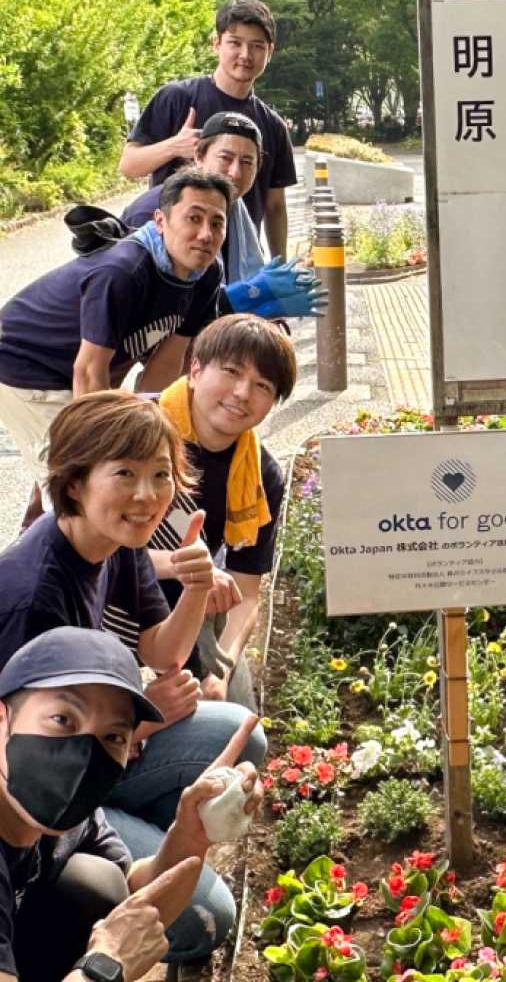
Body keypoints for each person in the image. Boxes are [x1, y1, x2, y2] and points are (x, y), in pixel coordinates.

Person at [0, 390, 266, 964]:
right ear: (74, 483)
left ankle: (101, 842)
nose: (147, 496)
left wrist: (195, 588)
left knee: (241, 730)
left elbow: (161, 650)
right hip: (31, 786)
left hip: (80, 767)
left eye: (160, 475)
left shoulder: (114, 543)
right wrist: (144, 717)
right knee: (201, 918)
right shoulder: (31, 598)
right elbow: (33, 748)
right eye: (124, 473)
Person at [0, 625, 263, 982]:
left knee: (99, 884)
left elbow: (142, 896)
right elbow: (115, 956)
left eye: (112, 737)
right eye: (62, 720)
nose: (83, 755)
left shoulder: (69, 818)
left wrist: (192, 833)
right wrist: (105, 966)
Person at [0, 168, 227, 491]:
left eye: (217, 222)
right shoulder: (122, 272)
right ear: (160, 221)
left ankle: (36, 536)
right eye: (193, 218)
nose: (206, 234)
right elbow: (88, 371)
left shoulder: (205, 273)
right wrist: (107, 450)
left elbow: (168, 359)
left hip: (97, 366)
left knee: (111, 467)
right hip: (29, 365)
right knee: (79, 483)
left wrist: (146, 424)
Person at [146, 314, 296, 708]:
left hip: (194, 615)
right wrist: (187, 567)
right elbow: (89, 550)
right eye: (231, 371)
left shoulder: (260, 475)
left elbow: (246, 592)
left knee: (240, 726)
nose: (242, 393)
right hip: (108, 604)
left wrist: (220, 673)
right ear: (194, 370)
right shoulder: (137, 431)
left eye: (263, 385)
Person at [120, 0, 297, 258]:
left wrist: (278, 265)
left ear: (269, 52)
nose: (245, 55)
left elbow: (275, 206)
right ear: (216, 44)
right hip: (174, 256)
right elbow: (129, 165)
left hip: (240, 260)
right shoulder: (177, 98)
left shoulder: (272, 125)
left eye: (256, 46)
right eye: (235, 43)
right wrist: (173, 147)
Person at [118, 111, 327, 319]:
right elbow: (164, 306)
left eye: (247, 162)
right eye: (225, 158)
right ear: (199, 156)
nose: (235, 172)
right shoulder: (158, 208)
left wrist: (265, 311)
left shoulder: (232, 206)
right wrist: (249, 295)